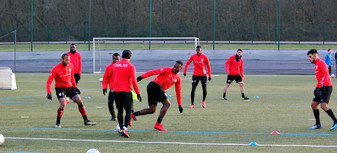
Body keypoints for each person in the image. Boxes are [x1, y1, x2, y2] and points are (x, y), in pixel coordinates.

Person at [46, 53, 96, 128]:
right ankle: (58, 123)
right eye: (66, 60)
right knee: (63, 104)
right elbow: (49, 81)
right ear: (62, 59)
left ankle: (86, 121)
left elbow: (72, 77)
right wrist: (49, 92)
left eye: (69, 60)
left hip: (69, 87)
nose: (68, 62)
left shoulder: (71, 66)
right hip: (60, 89)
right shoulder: (56, 68)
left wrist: (75, 87)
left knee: (80, 101)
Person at [131, 61, 184, 131]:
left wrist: (179, 105)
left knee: (152, 110)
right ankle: (158, 124)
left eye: (177, 67)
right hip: (154, 85)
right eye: (174, 66)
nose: (174, 68)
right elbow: (154, 72)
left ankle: (132, 115)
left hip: (154, 88)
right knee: (167, 104)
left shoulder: (178, 78)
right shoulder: (167, 69)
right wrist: (142, 76)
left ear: (181, 68)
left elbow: (178, 91)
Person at [111, 50, 141, 138]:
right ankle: (124, 128)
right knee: (128, 111)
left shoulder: (115, 65)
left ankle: (121, 128)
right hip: (126, 91)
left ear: (122, 56)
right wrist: (138, 92)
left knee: (120, 111)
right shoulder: (131, 66)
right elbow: (134, 81)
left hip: (116, 91)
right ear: (130, 57)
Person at [307, 49, 337, 131]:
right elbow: (320, 78)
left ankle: (335, 121)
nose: (309, 58)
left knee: (323, 105)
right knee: (313, 105)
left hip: (326, 86)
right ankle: (318, 124)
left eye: (310, 57)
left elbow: (326, 73)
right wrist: (317, 88)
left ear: (315, 55)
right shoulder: (316, 65)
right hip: (320, 87)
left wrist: (323, 85)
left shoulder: (321, 63)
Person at [102, 53, 120, 121]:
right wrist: (104, 87)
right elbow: (105, 78)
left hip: (121, 89)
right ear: (112, 59)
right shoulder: (109, 67)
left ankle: (132, 114)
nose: (116, 60)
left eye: (117, 59)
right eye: (115, 59)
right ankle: (113, 116)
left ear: (120, 59)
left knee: (126, 103)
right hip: (113, 89)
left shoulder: (122, 67)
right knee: (110, 103)